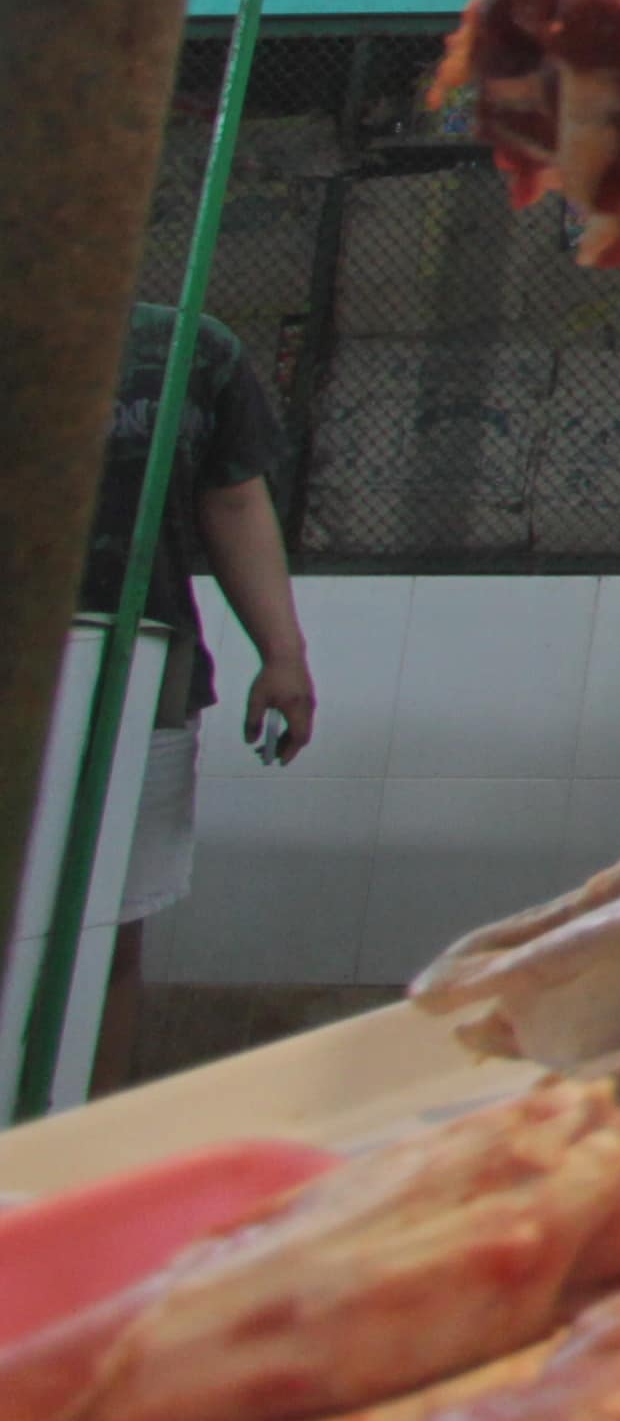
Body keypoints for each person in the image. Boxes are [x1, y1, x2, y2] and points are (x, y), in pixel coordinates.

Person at [87, 304, 317, 1082]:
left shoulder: (185, 347)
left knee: (107, 929)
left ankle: (76, 1147)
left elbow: (235, 499)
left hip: (136, 670)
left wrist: (282, 653)